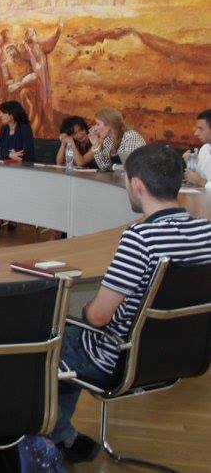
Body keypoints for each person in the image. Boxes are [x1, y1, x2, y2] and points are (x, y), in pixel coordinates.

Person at [51, 143, 211, 463]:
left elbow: (98, 317)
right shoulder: (206, 232)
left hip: (120, 358)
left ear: (137, 184)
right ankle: (61, 435)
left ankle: (50, 438)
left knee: (50, 339)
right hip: (180, 354)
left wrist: (77, 313)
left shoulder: (140, 238)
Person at [89, 108, 146, 172]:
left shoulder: (130, 137)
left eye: (98, 124)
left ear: (109, 125)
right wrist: (96, 144)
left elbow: (129, 167)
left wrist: (112, 167)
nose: (95, 128)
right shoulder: (108, 139)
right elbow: (104, 167)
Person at [183, 109, 210, 188]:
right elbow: (195, 179)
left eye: (201, 129)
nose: (196, 133)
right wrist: (189, 163)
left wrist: (200, 181)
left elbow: (199, 180)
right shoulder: (205, 150)